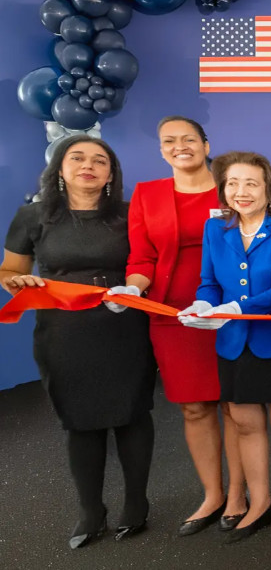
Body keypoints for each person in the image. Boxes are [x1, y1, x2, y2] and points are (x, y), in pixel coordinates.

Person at [0, 135, 155, 548]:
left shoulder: (128, 214)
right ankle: (91, 510)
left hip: (123, 326)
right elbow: (8, 271)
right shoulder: (32, 216)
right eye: (78, 157)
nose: (89, 165)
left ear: (110, 175)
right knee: (80, 421)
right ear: (60, 169)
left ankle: (136, 504)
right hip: (63, 331)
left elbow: (147, 263)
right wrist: (19, 283)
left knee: (132, 414)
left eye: (100, 160)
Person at [108, 116, 248, 536]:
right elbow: (141, 258)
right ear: (161, 150)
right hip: (173, 315)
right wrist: (132, 288)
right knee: (194, 407)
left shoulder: (233, 186)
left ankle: (240, 494)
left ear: (207, 145)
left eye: (189, 139)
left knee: (236, 406)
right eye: (169, 141)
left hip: (231, 310)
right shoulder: (147, 196)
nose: (179, 146)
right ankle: (213, 494)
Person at [179, 152, 271, 542]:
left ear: (269, 189)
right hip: (233, 343)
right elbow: (209, 281)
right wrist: (204, 304)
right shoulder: (214, 228)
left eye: (251, 183)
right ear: (223, 189)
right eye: (233, 183)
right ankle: (260, 503)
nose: (242, 191)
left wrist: (237, 307)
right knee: (246, 424)